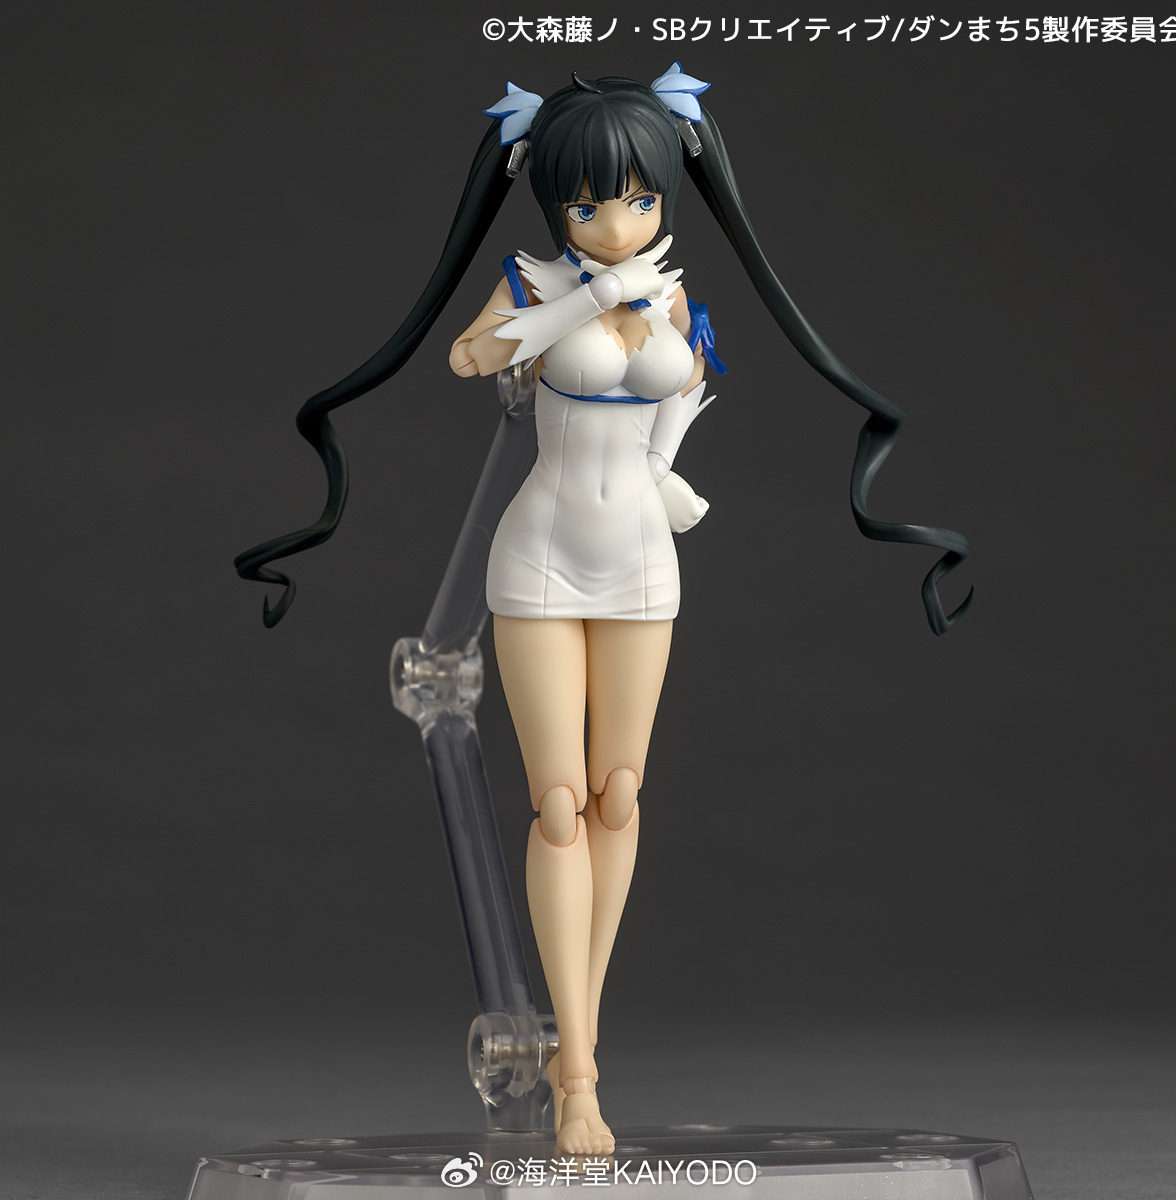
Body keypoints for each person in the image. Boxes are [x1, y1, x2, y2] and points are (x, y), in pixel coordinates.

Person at [235, 65, 972, 1156]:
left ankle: (581, 1035)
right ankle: (576, 1074)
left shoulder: (673, 297)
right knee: (558, 804)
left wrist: (667, 471)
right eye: (588, 204)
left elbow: (687, 392)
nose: (617, 224)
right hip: (539, 559)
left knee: (619, 796)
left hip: (640, 564)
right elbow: (468, 356)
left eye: (638, 199)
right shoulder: (532, 284)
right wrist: (578, 301)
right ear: (555, 204)